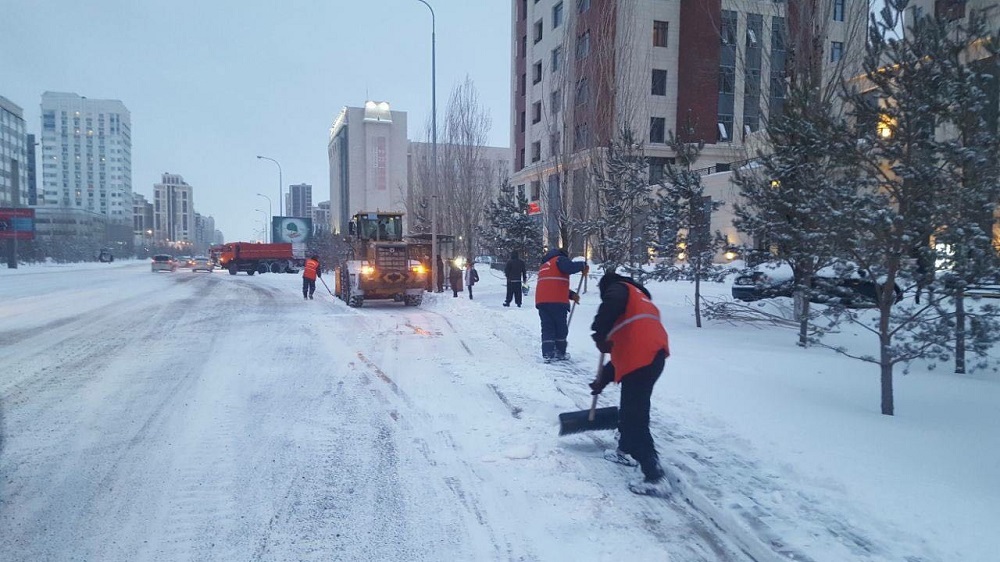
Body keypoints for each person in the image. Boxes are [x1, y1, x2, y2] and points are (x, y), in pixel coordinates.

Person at [589, 270, 671, 497]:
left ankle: (654, 476)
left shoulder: (618, 288)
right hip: (651, 358)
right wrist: (600, 382)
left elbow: (612, 301)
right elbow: (622, 356)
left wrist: (599, 333)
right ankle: (625, 450)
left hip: (641, 360)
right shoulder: (639, 300)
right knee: (631, 409)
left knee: (635, 418)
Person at [535, 247, 588, 362]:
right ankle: (560, 352)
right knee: (560, 327)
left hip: (542, 302)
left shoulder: (544, 266)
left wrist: (571, 294)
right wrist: (583, 265)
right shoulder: (559, 259)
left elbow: (553, 284)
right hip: (556, 302)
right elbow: (569, 267)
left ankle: (548, 353)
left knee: (547, 327)